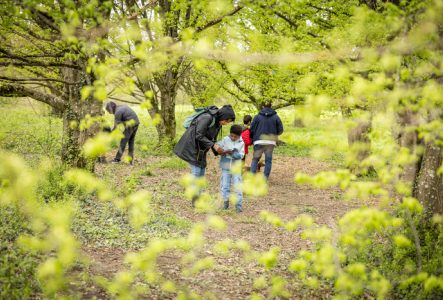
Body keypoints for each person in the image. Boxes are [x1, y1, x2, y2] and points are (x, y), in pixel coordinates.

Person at [174, 105, 236, 205]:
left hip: (202, 149)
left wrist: (220, 151)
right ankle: (196, 200)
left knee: (202, 171)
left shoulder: (217, 122)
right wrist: (214, 146)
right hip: (192, 146)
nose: (226, 123)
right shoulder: (207, 118)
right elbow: (199, 135)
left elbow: (212, 139)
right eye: (227, 121)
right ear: (223, 116)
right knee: (197, 172)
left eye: (228, 122)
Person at [250, 102, 284, 179]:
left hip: (258, 141)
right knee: (268, 160)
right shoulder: (276, 117)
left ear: (262, 106)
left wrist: (253, 137)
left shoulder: (257, 117)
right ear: (271, 106)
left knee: (255, 159)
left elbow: (252, 129)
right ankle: (265, 178)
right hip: (270, 142)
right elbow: (281, 130)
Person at [217, 124, 245, 212]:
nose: (233, 138)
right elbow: (218, 146)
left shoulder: (241, 142)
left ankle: (238, 205)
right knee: (225, 185)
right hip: (225, 166)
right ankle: (225, 204)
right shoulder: (225, 139)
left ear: (239, 136)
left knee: (237, 186)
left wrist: (232, 153)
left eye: (235, 137)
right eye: (231, 135)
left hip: (236, 167)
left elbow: (241, 155)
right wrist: (221, 150)